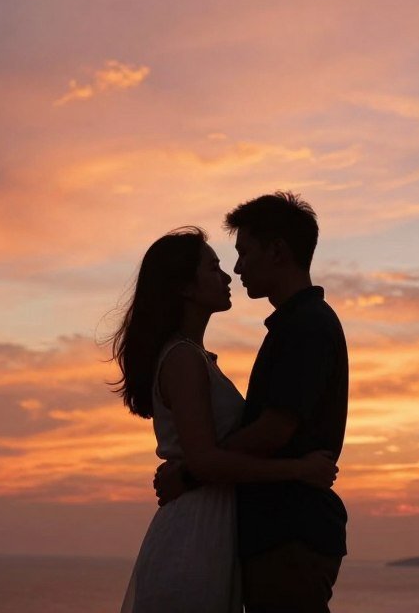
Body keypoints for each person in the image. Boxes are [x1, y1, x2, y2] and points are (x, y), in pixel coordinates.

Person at [110, 227, 338, 613]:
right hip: (196, 532)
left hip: (212, 527)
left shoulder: (193, 357)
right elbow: (206, 460)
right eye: (213, 268)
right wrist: (299, 470)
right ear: (185, 287)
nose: (227, 275)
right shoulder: (183, 358)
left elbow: (202, 459)